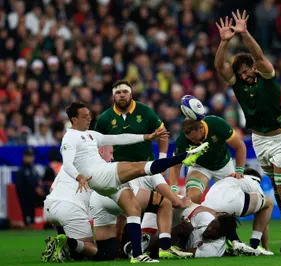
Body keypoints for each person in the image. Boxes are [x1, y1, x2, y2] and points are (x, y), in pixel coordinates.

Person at [43, 102, 209, 263]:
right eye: (85, 116)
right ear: (74, 119)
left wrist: (146, 137)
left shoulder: (91, 135)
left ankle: (137, 255)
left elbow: (119, 138)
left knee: (133, 209)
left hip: (102, 186)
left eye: (89, 115)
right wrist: (79, 177)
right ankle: (185, 157)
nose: (89, 118)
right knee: (139, 167)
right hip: (100, 175)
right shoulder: (70, 137)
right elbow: (67, 163)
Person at [214, 10, 281, 255]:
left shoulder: (267, 77)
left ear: (254, 68)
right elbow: (220, 66)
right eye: (239, 72)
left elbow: (259, 56)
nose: (243, 74)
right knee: (274, 184)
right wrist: (225, 41)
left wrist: (244, 33)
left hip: (280, 137)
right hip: (259, 138)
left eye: (246, 69)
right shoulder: (239, 85)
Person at [95, 80, 188, 210]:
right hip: (123, 172)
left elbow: (162, 133)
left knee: (172, 202)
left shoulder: (145, 111)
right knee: (130, 211)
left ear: (131, 94)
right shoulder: (105, 118)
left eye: (125, 92)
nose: (122, 95)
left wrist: (161, 160)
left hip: (148, 167)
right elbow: (95, 144)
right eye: (118, 92)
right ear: (113, 96)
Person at [169, 116, 246, 203]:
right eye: (190, 139)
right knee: (192, 198)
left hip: (224, 165)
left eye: (195, 138)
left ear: (201, 128)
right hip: (200, 167)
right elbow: (175, 166)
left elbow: (240, 146)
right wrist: (173, 188)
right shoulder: (182, 140)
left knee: (230, 201)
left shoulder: (217, 124)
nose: (194, 142)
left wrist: (239, 170)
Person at [202, 168, 274, 256]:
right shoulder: (253, 182)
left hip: (206, 207)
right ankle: (254, 245)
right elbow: (263, 220)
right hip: (230, 204)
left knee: (226, 217)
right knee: (269, 203)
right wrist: (266, 247)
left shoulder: (226, 180)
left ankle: (234, 242)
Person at [14, 147, 44, 228]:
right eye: (28, 156)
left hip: (34, 200)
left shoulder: (34, 170)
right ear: (24, 157)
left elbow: (38, 181)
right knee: (28, 222)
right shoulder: (21, 171)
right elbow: (20, 188)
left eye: (31, 156)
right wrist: (33, 190)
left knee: (33, 222)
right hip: (26, 200)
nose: (30, 158)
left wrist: (39, 189)